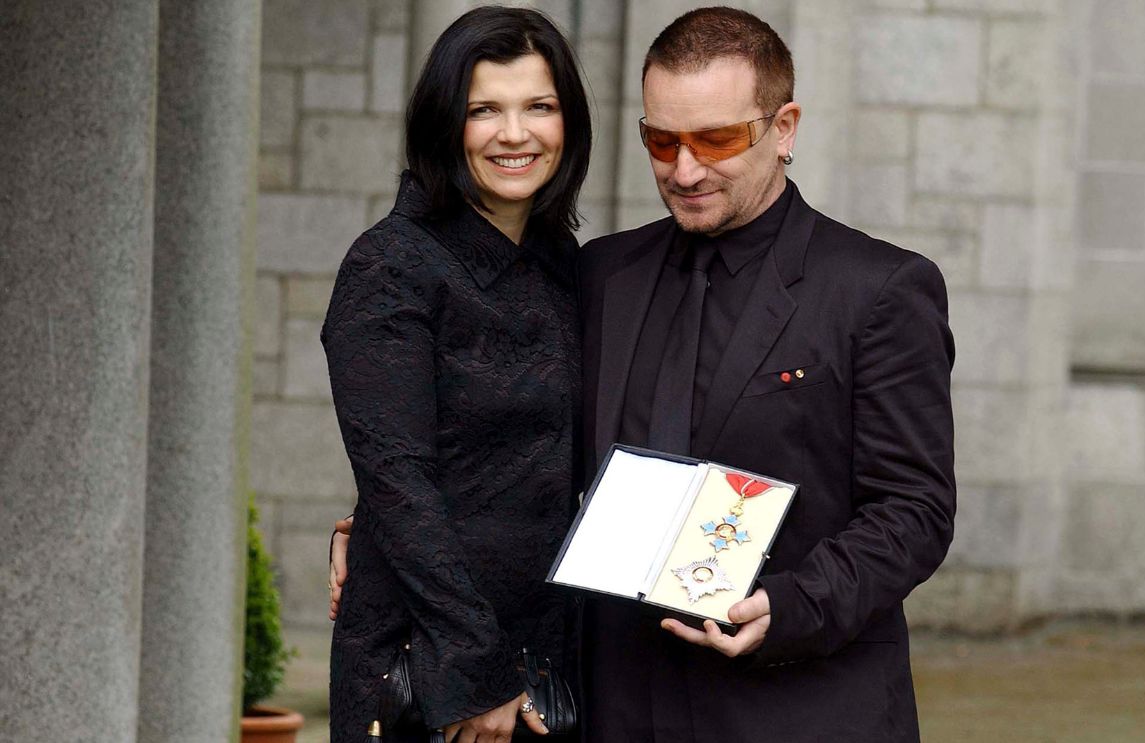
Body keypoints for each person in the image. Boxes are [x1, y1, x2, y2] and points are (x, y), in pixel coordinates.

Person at [335, 7, 955, 742]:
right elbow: (509, 438)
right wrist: (376, 530)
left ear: (783, 127)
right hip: (609, 701)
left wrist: (791, 605)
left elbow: (915, 507)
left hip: (797, 704)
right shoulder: (598, 272)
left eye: (717, 139)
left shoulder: (879, 288)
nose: (685, 169)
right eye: (662, 141)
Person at [320, 6, 590, 743]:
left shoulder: (565, 266)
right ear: (445, 124)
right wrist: (478, 665)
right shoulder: (390, 266)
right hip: (434, 664)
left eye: (539, 106)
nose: (515, 133)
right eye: (484, 111)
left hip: (548, 655)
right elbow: (398, 478)